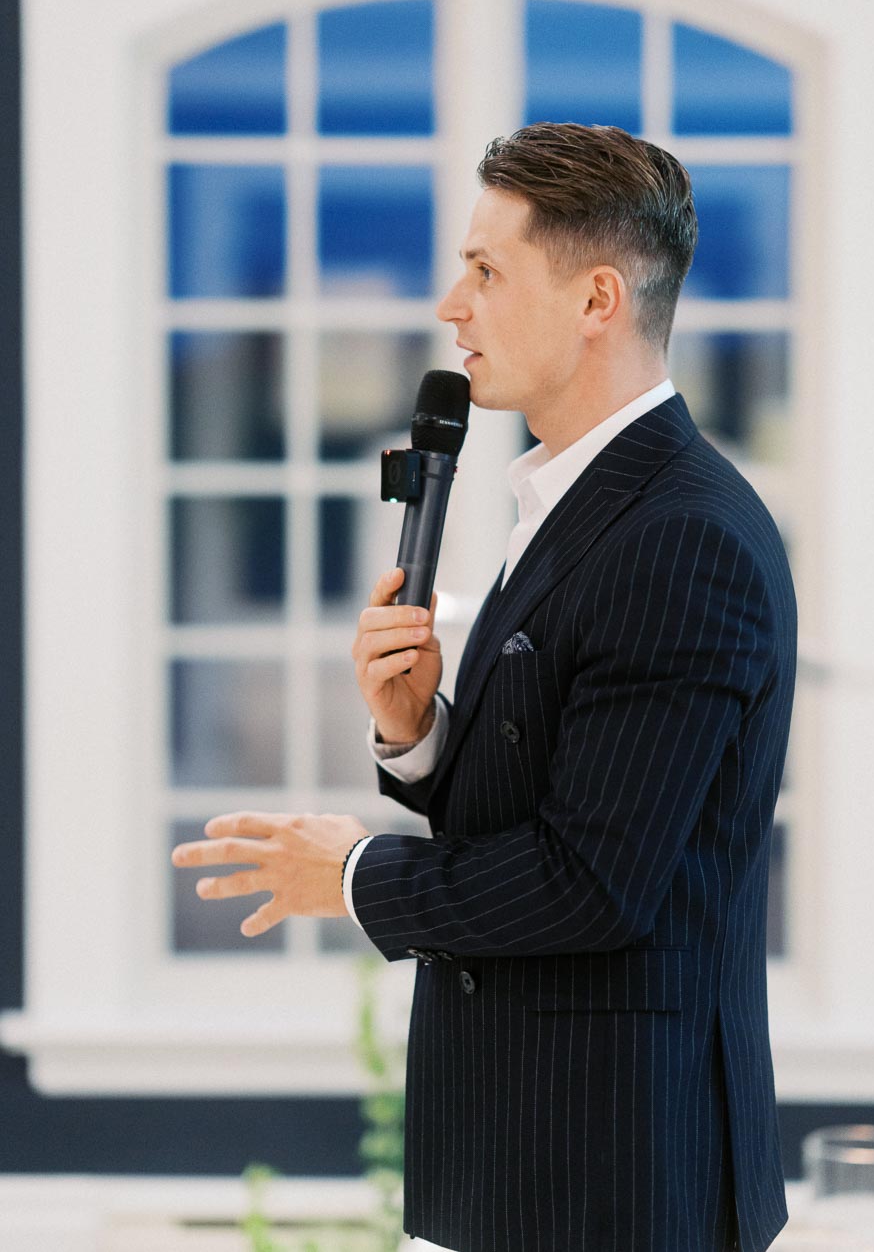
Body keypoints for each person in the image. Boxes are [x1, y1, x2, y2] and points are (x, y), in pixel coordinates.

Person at [173, 122, 796, 1252]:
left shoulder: (680, 537)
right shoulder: (572, 502)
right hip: (515, 1164)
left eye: (486, 270)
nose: (452, 305)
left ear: (597, 298)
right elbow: (555, 799)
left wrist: (352, 874)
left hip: (615, 1181)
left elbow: (594, 881)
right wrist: (420, 738)